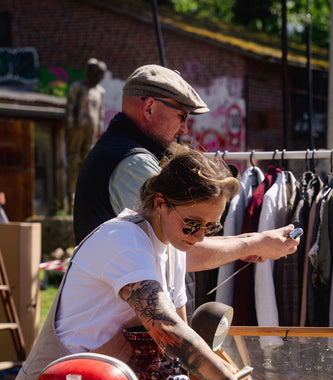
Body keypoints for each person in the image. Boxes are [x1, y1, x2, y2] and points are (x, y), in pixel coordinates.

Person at [4, 147, 260, 380]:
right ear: (160, 203)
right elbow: (168, 329)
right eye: (192, 224)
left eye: (211, 227)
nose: (199, 237)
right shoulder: (123, 240)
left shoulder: (173, 249)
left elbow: (174, 357)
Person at [73, 64, 300, 318]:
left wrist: (255, 243)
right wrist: (255, 243)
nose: (185, 129)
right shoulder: (134, 162)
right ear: (149, 107)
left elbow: (186, 238)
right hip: (112, 330)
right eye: (182, 116)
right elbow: (185, 248)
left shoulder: (126, 151)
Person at [66, 57, 107, 213]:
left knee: (87, 162)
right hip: (77, 130)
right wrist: (70, 126)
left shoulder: (100, 92)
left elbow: (101, 113)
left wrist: (99, 129)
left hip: (91, 133)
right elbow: (70, 108)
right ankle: (70, 198)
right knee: (74, 161)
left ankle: (85, 198)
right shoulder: (77, 87)